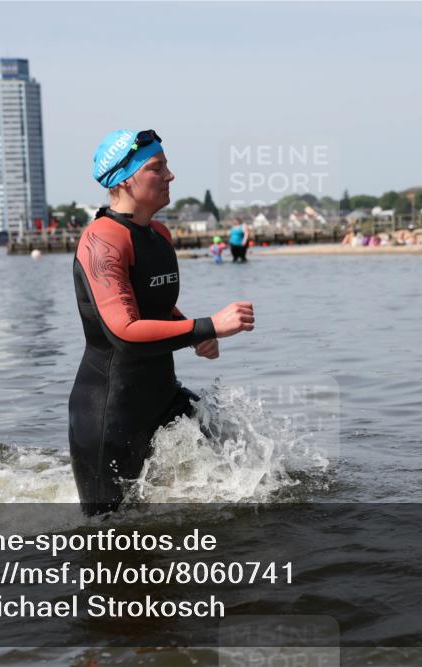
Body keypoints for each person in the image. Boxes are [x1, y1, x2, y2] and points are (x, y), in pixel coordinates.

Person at [70, 129, 255, 515]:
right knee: (109, 535)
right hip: (110, 411)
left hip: (163, 396)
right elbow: (125, 333)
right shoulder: (102, 240)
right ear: (124, 179)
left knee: (249, 470)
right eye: (157, 168)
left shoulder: (159, 233)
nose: (170, 175)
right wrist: (208, 326)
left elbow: (153, 305)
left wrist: (192, 334)